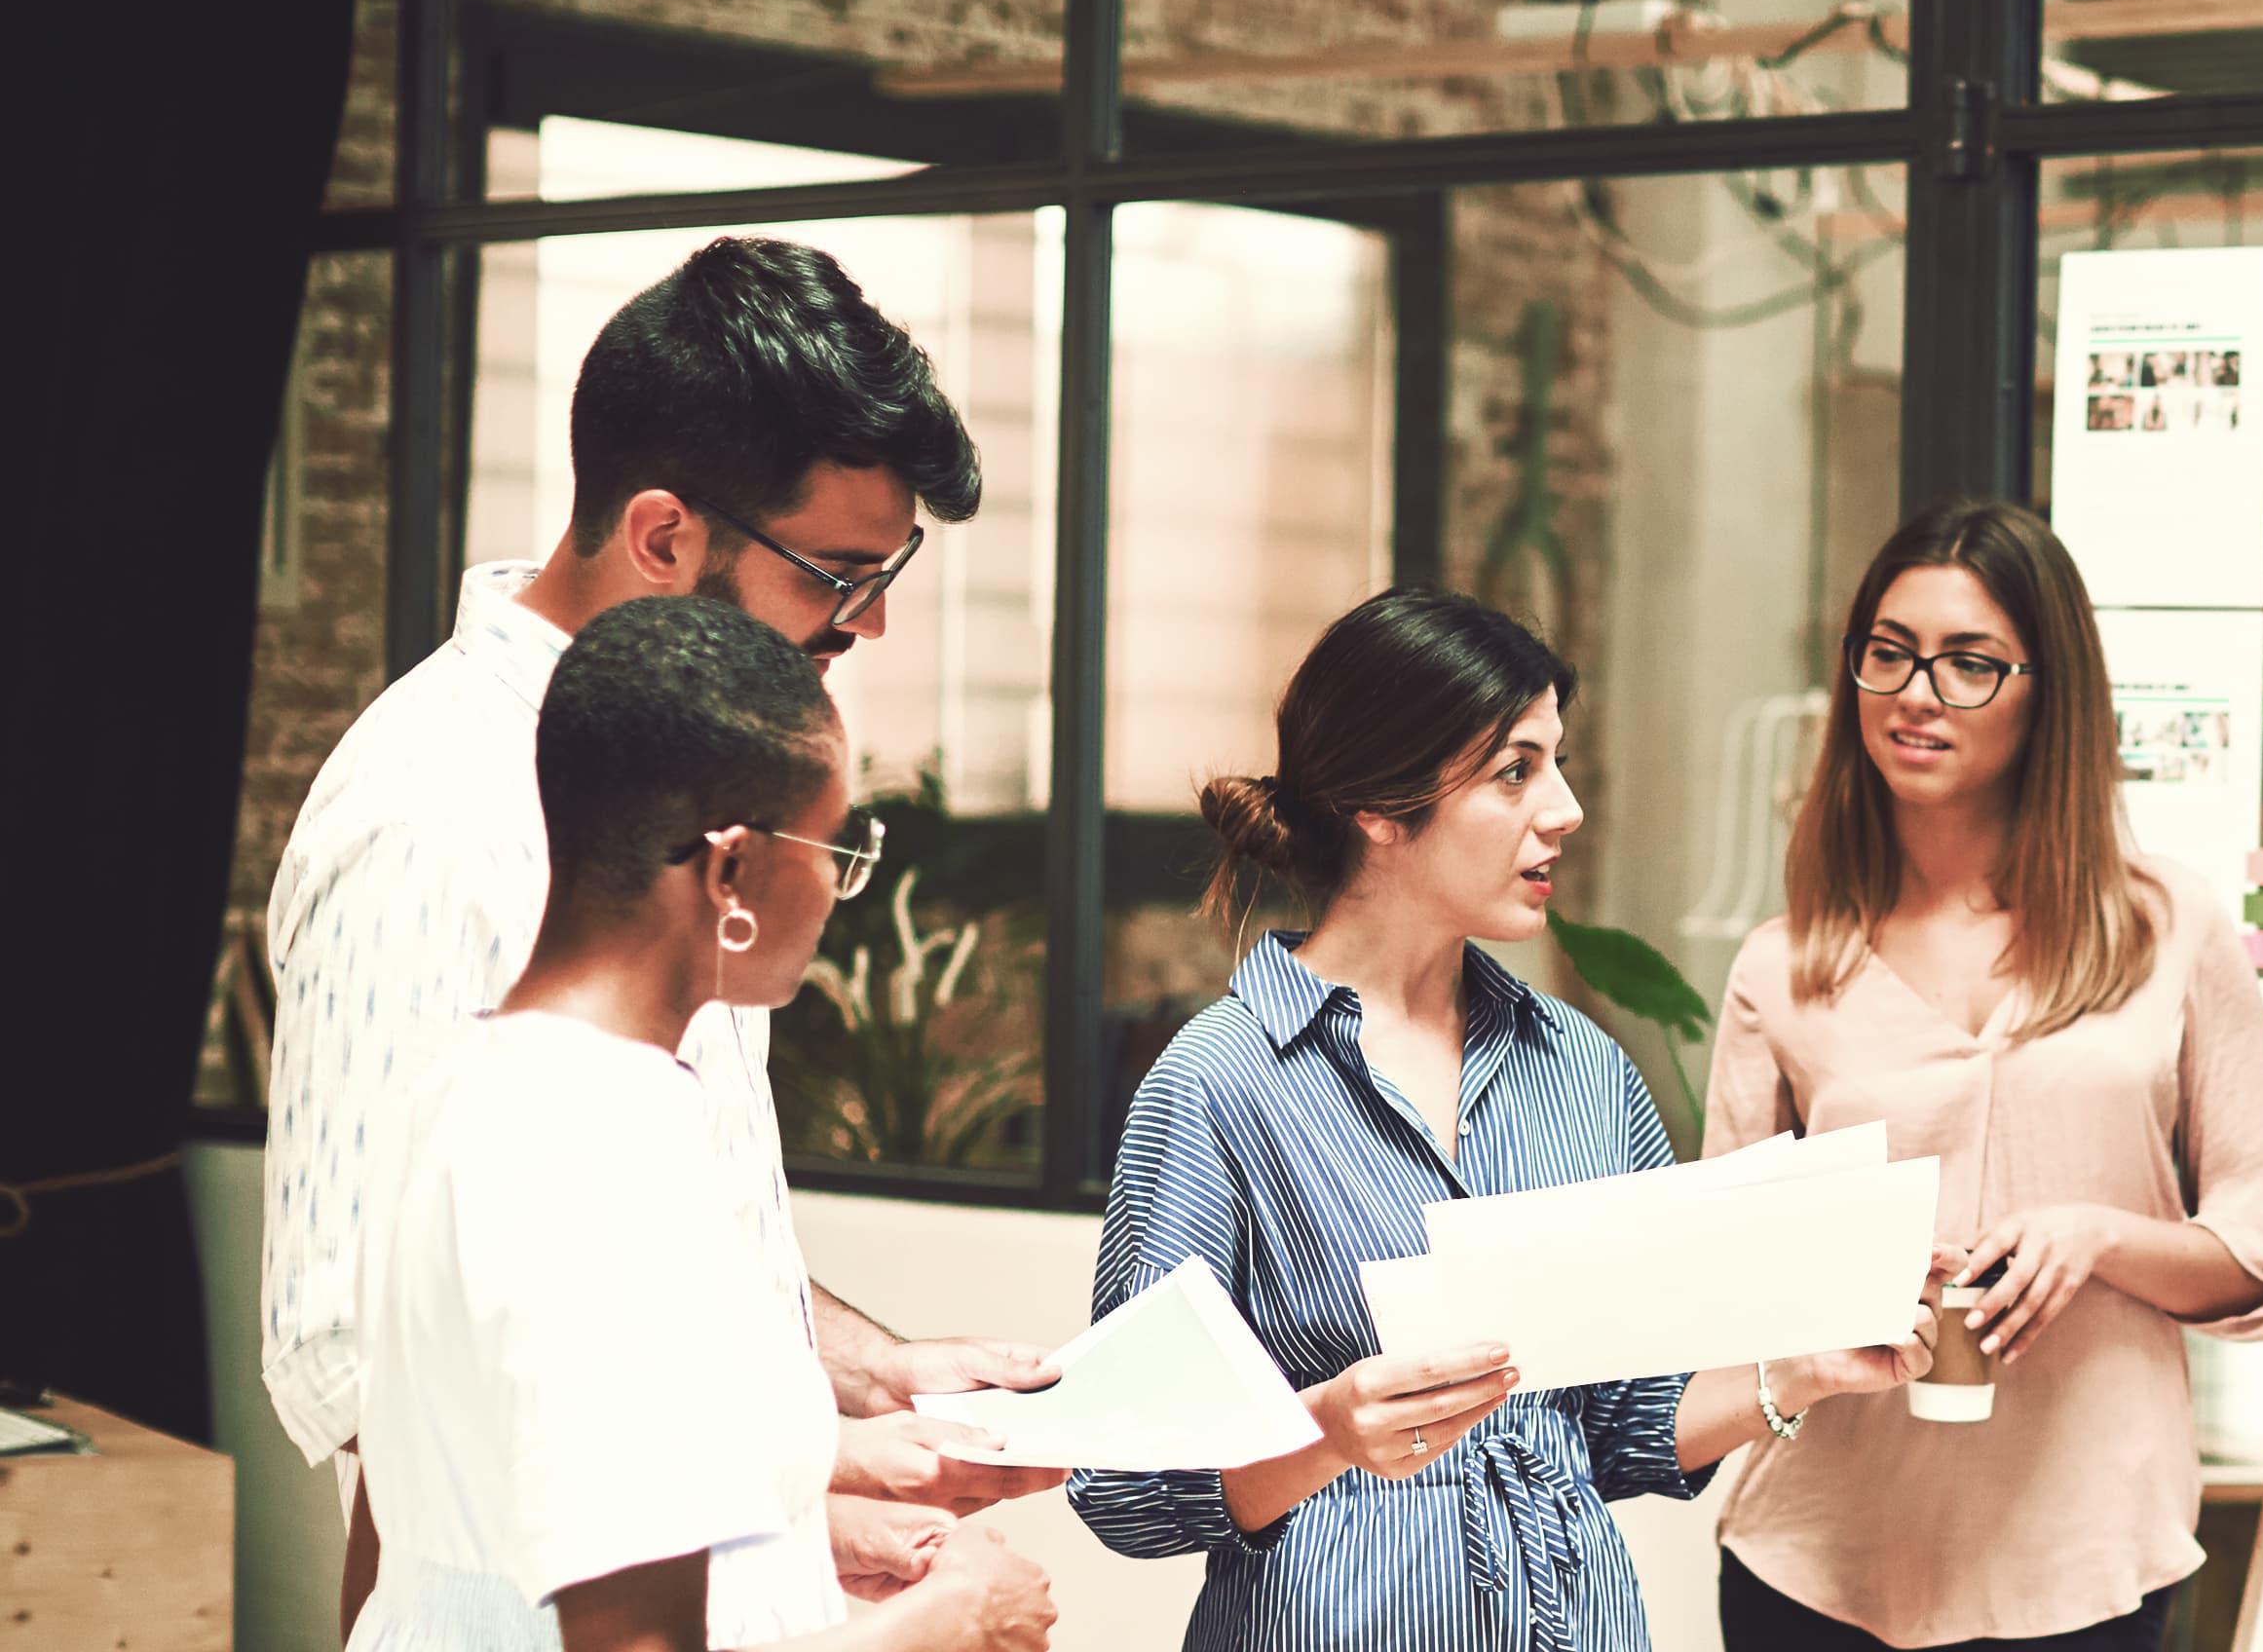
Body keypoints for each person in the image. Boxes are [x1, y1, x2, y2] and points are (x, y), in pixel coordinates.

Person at [261, 238, 1066, 1642]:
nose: (868, 622)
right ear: (661, 535)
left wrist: (864, 1381)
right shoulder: (436, 817)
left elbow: (626, 1256)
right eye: (837, 574)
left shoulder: (702, 773)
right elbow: (358, 1353)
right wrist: (802, 1494)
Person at [1069, 587, 1934, 1652]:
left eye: (1556, 761)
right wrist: (1328, 1431)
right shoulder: (1217, 1083)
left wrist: (1805, 1366)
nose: (1564, 807)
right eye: (1515, 769)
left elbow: (1623, 1425)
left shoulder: (1583, 1070)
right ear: (1381, 806)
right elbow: (1121, 1481)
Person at [350, 595, 1054, 1652]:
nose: (836, 890)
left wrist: (820, 1533)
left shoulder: (494, 1072)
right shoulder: (596, 1140)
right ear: (730, 869)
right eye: (831, 845)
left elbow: (546, 1498)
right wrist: (951, 1618)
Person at [1703, 501, 2263, 1652]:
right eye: (1888, 652)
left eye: (1971, 662)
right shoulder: (1784, 964)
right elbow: (1736, 1291)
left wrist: (2097, 1236)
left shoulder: (2168, 928)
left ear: (2049, 691)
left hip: (2084, 1558)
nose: (1918, 691)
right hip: (1822, 1557)